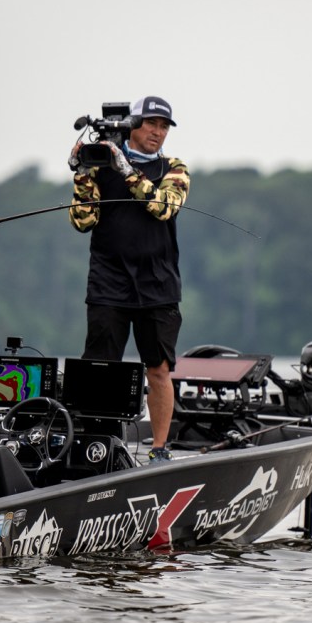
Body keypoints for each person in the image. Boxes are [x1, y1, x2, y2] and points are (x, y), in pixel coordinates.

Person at [68, 96, 190, 462]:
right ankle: (96, 446)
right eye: (151, 124)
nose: (157, 132)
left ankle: (159, 449)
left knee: (159, 369)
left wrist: (125, 169)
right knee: (100, 367)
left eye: (164, 126)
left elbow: (162, 207)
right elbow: (82, 221)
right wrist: (82, 172)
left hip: (158, 282)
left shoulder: (174, 168)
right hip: (108, 280)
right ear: (132, 125)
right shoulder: (100, 166)